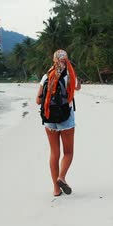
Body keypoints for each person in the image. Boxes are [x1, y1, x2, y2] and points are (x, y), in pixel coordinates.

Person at [36, 49, 81, 197]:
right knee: (68, 152)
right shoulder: (69, 75)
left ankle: (56, 189)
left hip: (49, 118)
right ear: (66, 60)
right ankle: (61, 177)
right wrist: (72, 70)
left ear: (54, 60)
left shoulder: (46, 76)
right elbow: (78, 87)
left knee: (54, 153)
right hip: (66, 117)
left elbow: (37, 100)